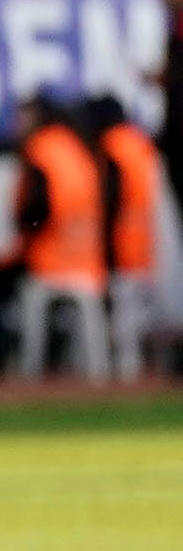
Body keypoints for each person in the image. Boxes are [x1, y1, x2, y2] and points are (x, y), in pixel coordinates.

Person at [10, 92, 108, 383]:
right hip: (87, 261)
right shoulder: (79, 147)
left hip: (51, 261)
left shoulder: (41, 149)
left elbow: (36, 207)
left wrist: (25, 231)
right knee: (89, 327)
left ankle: (29, 377)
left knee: (28, 305)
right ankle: (100, 379)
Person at [89, 95, 162, 381]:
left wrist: (102, 243)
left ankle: (124, 386)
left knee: (123, 330)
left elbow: (112, 198)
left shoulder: (113, 145)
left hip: (122, 246)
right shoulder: (139, 143)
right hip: (144, 244)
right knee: (137, 326)